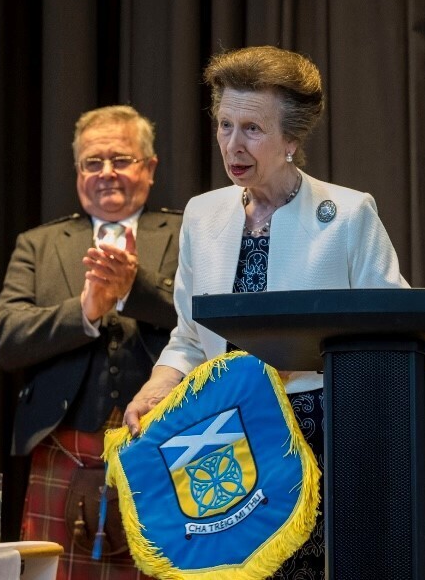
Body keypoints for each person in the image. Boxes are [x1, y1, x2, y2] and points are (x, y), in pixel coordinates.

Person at [123, 46, 409, 579]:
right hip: (225, 435)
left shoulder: (349, 214)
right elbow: (189, 337)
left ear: (292, 139)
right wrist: (157, 387)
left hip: (318, 436)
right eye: (225, 125)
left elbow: (393, 331)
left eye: (252, 129)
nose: (233, 144)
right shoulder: (203, 214)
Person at [0, 105, 181, 579]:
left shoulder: (188, 233)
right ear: (78, 171)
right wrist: (84, 312)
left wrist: (134, 290)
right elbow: (2, 338)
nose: (106, 172)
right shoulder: (39, 243)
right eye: (93, 162)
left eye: (121, 159)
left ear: (150, 167)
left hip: (168, 449)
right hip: (63, 451)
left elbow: (209, 323)